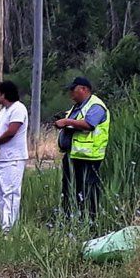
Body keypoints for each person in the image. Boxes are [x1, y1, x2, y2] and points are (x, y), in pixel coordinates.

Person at [55, 77, 110, 221]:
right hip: (73, 155)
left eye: (73, 90)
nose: (71, 93)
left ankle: (90, 221)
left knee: (88, 190)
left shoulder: (96, 106)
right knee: (69, 188)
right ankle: (68, 219)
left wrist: (66, 121)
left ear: (84, 89)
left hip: (88, 157)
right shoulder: (77, 106)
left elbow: (89, 124)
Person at [0, 81, 29, 232]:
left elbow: (11, 132)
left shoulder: (18, 108)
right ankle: (4, 224)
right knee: (1, 193)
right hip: (1, 158)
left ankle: (9, 229)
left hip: (13, 159)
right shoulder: (3, 111)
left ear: (4, 94)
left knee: (10, 194)